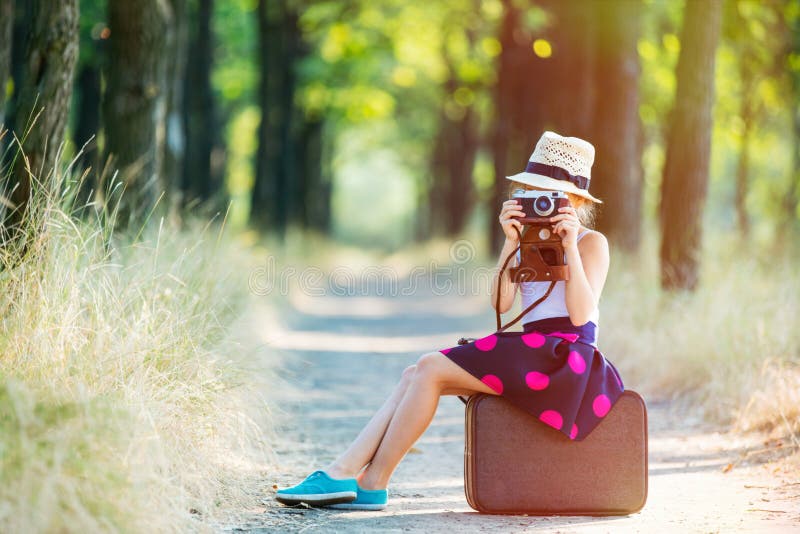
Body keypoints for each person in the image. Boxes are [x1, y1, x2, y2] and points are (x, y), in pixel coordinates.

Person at [274, 131, 625, 511]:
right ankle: (355, 476)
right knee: (415, 373)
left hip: (566, 361)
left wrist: (569, 245)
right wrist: (510, 243)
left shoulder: (592, 243)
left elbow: (579, 314)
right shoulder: (526, 241)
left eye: (553, 196)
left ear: (574, 201)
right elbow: (501, 303)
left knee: (430, 366)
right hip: (535, 349)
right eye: (533, 191)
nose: (543, 203)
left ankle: (366, 479)